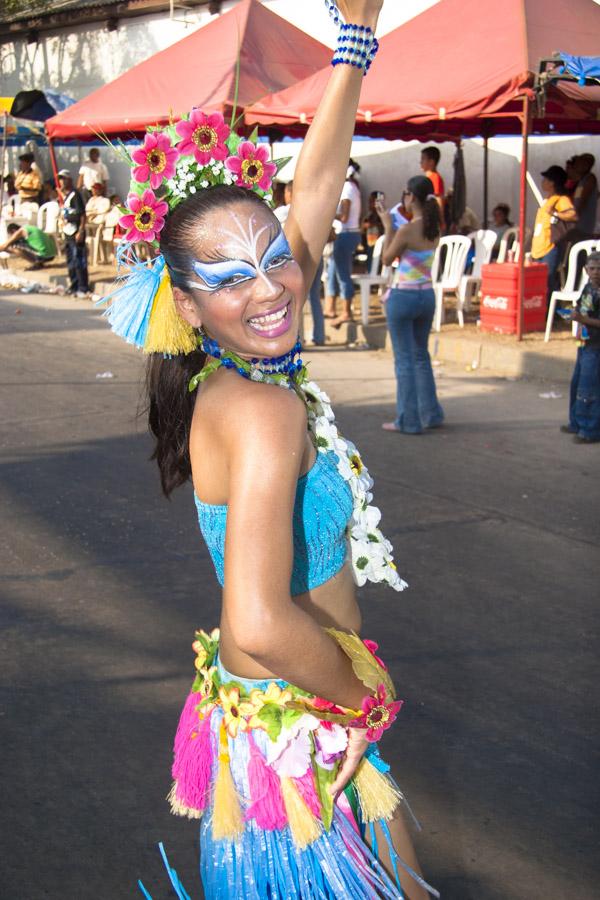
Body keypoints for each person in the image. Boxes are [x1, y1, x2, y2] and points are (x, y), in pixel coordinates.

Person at [102, 2, 436, 898]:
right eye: (231, 276)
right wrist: (359, 696)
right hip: (300, 729)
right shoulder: (261, 409)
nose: (270, 286)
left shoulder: (236, 374)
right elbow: (255, 620)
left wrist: (353, 48)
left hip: (276, 717)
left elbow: (316, 186)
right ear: (184, 298)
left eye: (275, 258)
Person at [376, 176, 444, 434]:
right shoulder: (433, 227)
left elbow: (386, 258)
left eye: (405, 192)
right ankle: (431, 412)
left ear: (411, 196)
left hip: (403, 298)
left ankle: (409, 420)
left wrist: (387, 227)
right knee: (421, 356)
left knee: (404, 360)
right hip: (427, 296)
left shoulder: (405, 230)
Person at [275, 181, 325, 345]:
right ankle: (319, 336)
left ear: (290, 193)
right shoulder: (314, 212)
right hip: (317, 257)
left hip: (293, 259)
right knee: (315, 298)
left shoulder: (283, 212)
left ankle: (298, 339)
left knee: (295, 301)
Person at [561, 251, 600, 443]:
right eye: (592, 268)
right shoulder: (588, 288)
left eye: (599, 269)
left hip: (596, 346)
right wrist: (573, 314)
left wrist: (583, 319)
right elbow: (581, 308)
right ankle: (576, 422)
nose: (596, 273)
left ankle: (589, 430)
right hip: (584, 343)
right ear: (586, 270)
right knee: (577, 384)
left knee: (589, 388)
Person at [531, 165, 577, 303]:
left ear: (552, 182)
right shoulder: (548, 199)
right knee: (540, 280)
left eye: (546, 179)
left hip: (550, 246)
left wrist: (556, 213)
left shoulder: (561, 199)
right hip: (539, 246)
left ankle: (551, 311)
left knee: (548, 279)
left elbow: (572, 214)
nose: (543, 181)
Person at [324, 158, 362, 324]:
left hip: (346, 234)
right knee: (334, 269)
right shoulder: (352, 187)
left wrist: (328, 213)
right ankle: (330, 307)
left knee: (342, 273)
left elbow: (344, 217)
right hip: (349, 234)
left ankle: (346, 311)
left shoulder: (346, 188)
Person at [58, 169, 89, 296]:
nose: (62, 181)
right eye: (60, 178)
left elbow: (82, 214)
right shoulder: (66, 196)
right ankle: (74, 285)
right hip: (68, 232)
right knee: (71, 260)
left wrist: (81, 231)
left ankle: (83, 286)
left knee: (79, 259)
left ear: (69, 180)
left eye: (63, 178)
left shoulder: (75, 195)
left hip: (76, 231)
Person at [573, 154, 598, 238]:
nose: (576, 166)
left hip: (584, 225)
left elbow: (583, 200)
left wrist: (576, 216)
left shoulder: (590, 178)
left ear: (586, 166)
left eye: (579, 163)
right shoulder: (582, 180)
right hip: (579, 224)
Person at [361, 190, 385, 268]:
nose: (369, 204)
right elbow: (362, 228)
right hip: (370, 244)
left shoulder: (383, 215)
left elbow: (383, 228)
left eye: (371, 201)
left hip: (378, 245)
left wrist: (374, 224)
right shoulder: (369, 216)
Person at [420, 146, 444, 210]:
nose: (420, 162)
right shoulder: (427, 178)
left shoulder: (435, 178)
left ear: (431, 162)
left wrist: (441, 219)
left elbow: (438, 199)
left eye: (423, 159)